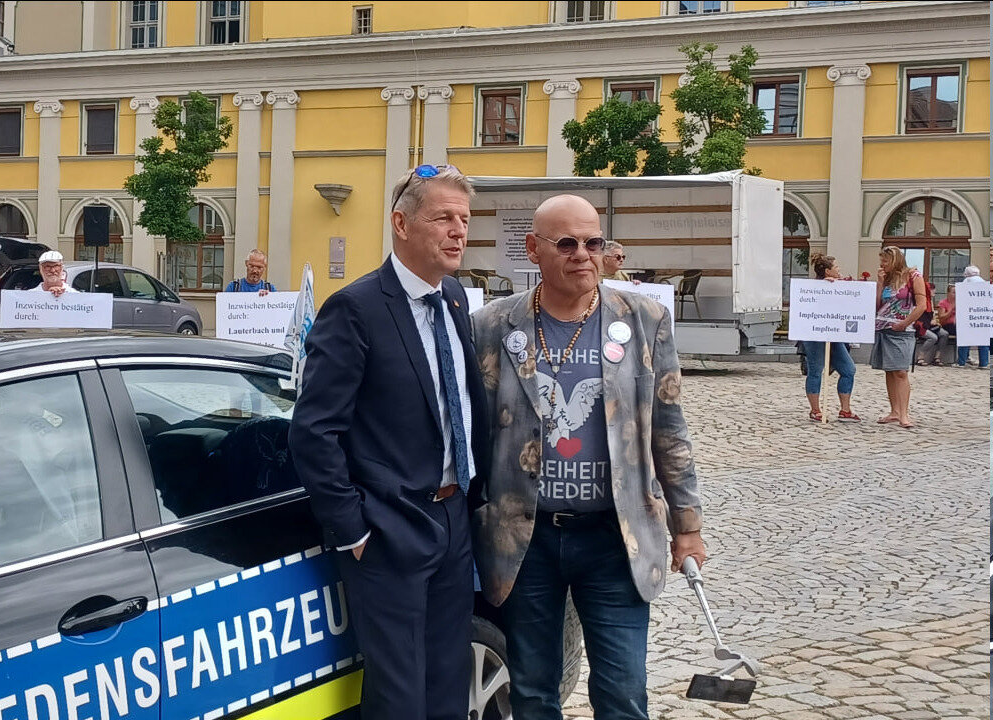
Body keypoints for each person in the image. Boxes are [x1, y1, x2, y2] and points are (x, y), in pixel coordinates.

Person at [471, 194, 706, 720]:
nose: (583, 254)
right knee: (532, 689)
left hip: (613, 537)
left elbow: (669, 428)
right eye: (567, 243)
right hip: (524, 539)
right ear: (534, 248)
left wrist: (687, 523)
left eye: (593, 242)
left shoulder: (645, 321)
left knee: (622, 689)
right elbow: (473, 432)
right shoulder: (491, 326)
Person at [290, 165, 488, 720]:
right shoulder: (355, 308)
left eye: (464, 220)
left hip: (453, 520)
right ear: (401, 223)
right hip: (389, 529)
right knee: (399, 698)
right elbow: (314, 429)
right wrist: (351, 526)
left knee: (449, 684)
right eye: (443, 218)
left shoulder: (452, 298)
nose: (458, 232)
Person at [872, 246, 926, 428]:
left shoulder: (913, 276)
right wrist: (879, 284)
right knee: (890, 369)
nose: (882, 264)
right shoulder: (886, 278)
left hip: (903, 330)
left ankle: (904, 414)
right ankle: (894, 411)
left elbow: (921, 305)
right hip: (883, 327)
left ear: (894, 260)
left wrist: (904, 323)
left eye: (885, 261)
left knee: (901, 371)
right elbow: (877, 304)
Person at [803, 255, 859, 421]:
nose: (839, 271)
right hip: (814, 335)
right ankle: (815, 410)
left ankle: (845, 410)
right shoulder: (813, 287)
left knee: (848, 370)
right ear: (827, 271)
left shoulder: (839, 286)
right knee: (816, 370)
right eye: (836, 268)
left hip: (834, 334)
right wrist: (824, 288)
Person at [956, 265, 990, 368]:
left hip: (968, 315)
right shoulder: (985, 283)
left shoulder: (966, 283)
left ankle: (961, 362)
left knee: (965, 338)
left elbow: (961, 299)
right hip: (982, 315)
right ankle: (983, 363)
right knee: (983, 340)